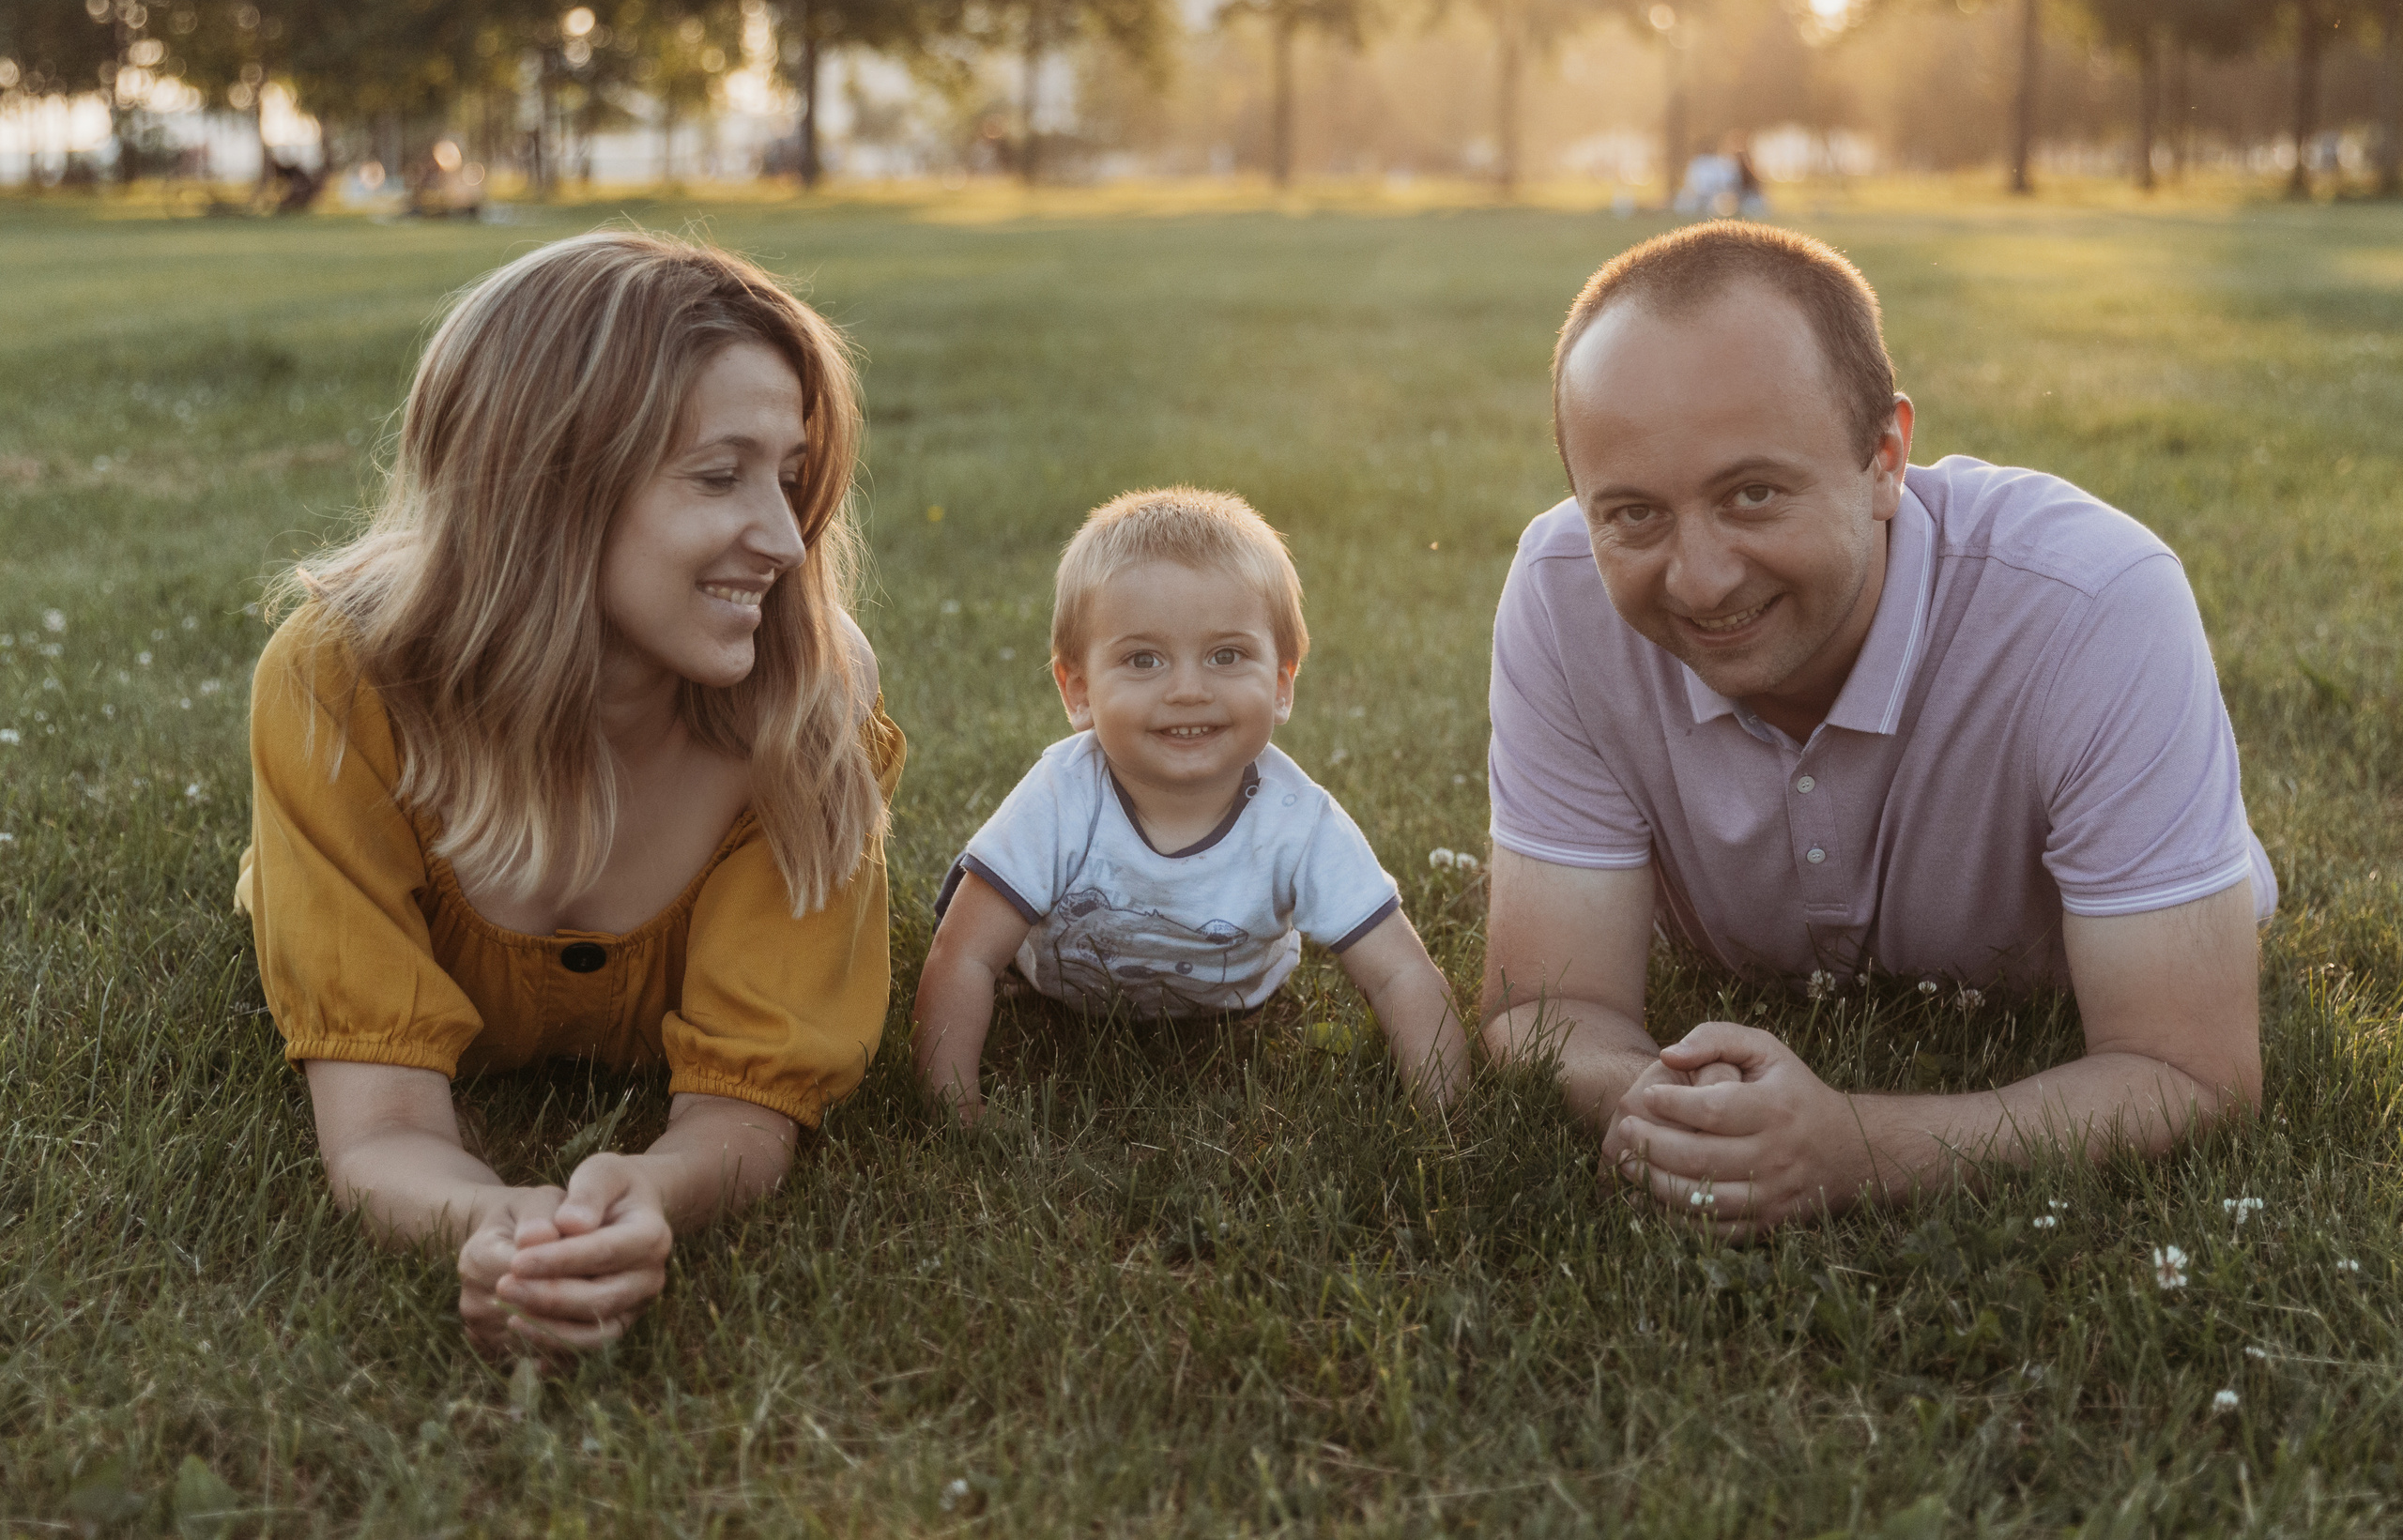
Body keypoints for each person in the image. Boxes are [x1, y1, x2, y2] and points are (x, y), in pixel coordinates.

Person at [1479, 221, 2273, 1238]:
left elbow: (2191, 1072)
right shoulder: (1558, 592)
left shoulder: (2096, 601)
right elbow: (1543, 1010)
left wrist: (1852, 1146)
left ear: (1886, 458)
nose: (1700, 577)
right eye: (1632, 514)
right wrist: (1677, 1119)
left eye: (1752, 494)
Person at [237, 232, 904, 1351]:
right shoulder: (336, 685)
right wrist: (490, 1226)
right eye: (716, 475)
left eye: (788, 478)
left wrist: (657, 1195)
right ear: (547, 482)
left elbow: (745, 1111)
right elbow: (380, 1125)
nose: (786, 540)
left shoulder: (806, 700)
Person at [913, 487, 1468, 1122]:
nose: (1188, 690)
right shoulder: (1061, 795)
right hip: (1063, 996)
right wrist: (952, 1105)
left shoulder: (1299, 821)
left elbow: (1400, 972)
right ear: (1079, 691)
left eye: (1226, 655)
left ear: (1283, 684)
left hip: (1232, 1006)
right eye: (1143, 659)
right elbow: (965, 952)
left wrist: (1444, 1122)